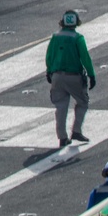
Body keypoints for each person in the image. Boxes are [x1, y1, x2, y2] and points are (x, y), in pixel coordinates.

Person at [46, 10, 95, 147]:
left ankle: (62, 137)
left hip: (56, 76)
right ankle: (76, 130)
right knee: (83, 102)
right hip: (74, 77)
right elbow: (85, 58)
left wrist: (49, 71)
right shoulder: (78, 38)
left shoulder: (55, 37)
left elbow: (49, 56)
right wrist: (91, 74)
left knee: (60, 106)